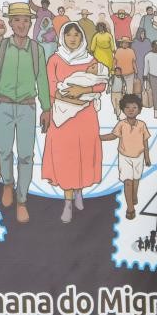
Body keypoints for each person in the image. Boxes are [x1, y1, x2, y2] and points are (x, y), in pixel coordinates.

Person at [0, 2, 52, 224]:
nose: (22, 24)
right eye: (17, 20)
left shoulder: (37, 50)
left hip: (27, 108)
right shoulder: (0, 48)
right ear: (11, 23)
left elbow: (42, 80)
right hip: (3, 106)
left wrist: (47, 108)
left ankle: (22, 200)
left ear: (30, 23)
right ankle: (8, 183)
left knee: (26, 156)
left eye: (25, 20)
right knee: (3, 150)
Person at [43, 22, 105, 223]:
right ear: (63, 37)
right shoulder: (55, 60)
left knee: (82, 155)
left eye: (76, 35)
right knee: (66, 158)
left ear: (82, 38)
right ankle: (67, 202)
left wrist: (83, 91)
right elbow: (50, 87)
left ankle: (79, 191)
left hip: (85, 117)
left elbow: (101, 84)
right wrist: (71, 98)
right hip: (62, 118)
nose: (72, 38)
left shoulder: (90, 60)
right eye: (68, 34)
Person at [101, 94, 151, 220]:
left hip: (139, 157)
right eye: (127, 107)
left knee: (136, 180)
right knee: (128, 182)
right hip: (124, 157)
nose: (131, 110)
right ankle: (130, 208)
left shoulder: (142, 125)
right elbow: (113, 136)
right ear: (123, 109)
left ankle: (134, 196)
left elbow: (145, 142)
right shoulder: (121, 124)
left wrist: (147, 158)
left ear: (139, 110)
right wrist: (99, 138)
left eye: (134, 107)